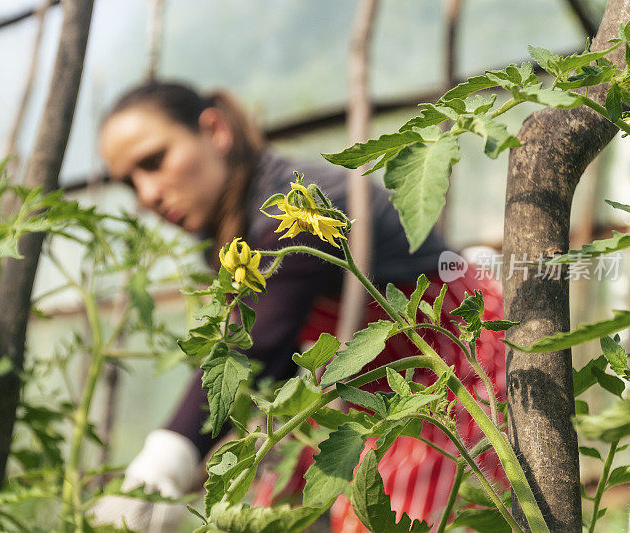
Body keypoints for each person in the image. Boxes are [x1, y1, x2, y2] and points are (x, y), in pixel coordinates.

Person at [91, 81, 506, 532]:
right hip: (381, 388)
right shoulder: (244, 227)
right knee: (272, 512)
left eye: (154, 161)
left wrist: (167, 457)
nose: (147, 195)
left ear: (214, 131)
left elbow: (259, 344)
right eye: (130, 181)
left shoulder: (298, 210)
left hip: (451, 368)